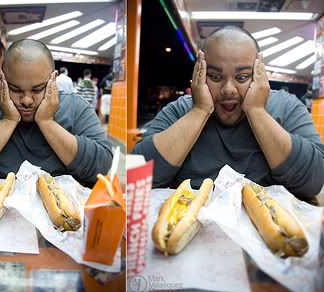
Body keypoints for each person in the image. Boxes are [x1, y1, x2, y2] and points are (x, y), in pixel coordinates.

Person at [132, 26, 324, 200]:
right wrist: (200, 111)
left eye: (242, 77)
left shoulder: (287, 107)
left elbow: (315, 181)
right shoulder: (181, 110)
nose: (228, 89)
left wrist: (256, 111)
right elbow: (138, 176)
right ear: (200, 74)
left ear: (259, 74)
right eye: (215, 77)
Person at [0, 39, 112, 186]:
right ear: (3, 79)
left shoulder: (76, 107)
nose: (26, 100)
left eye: (37, 89)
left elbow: (101, 167)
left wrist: (47, 122)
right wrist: (8, 120)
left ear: (53, 78)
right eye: (15, 89)